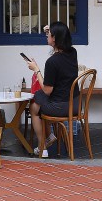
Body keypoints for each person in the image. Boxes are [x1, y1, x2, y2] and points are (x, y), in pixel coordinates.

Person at [24, 21, 79, 158]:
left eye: (49, 34)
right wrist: (54, 30)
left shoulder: (52, 62)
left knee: (34, 106)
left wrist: (36, 70)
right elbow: (62, 36)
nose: (46, 36)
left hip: (61, 107)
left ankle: (43, 146)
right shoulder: (73, 52)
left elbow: (47, 90)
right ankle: (48, 137)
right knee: (39, 98)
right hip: (75, 104)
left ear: (54, 38)